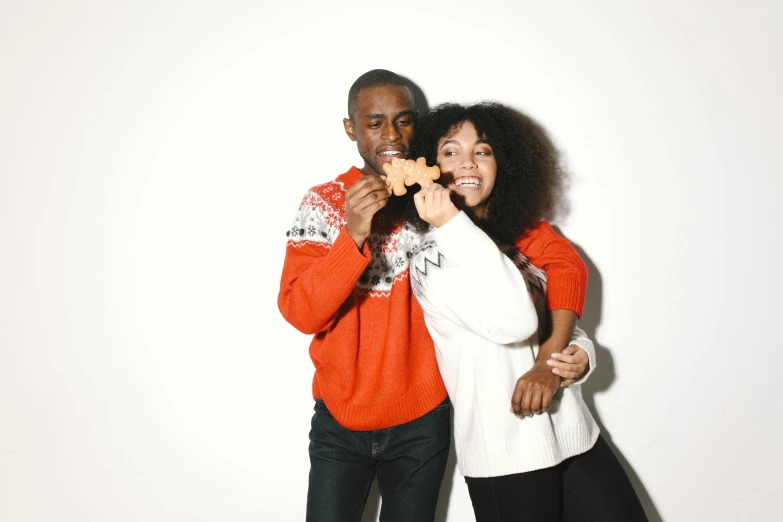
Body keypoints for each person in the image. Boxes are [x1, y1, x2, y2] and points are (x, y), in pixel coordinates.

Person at [278, 70, 592, 521]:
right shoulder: (324, 201)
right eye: (374, 123)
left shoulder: (446, 204)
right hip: (339, 418)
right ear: (350, 129)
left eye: (404, 121)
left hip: (423, 418)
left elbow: (562, 264)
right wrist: (352, 237)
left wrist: (563, 350)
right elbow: (300, 311)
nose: (391, 135)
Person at [408, 101, 649, 522]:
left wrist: (578, 356)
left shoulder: (520, 238)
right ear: (428, 167)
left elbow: (550, 320)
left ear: (503, 163)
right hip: (507, 453)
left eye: (482, 150)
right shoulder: (432, 259)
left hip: (572, 433)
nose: (469, 162)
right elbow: (514, 322)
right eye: (451, 151)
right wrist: (452, 225)